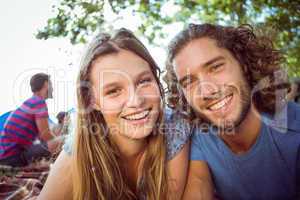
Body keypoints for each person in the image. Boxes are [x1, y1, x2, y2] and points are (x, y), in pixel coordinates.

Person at [38, 28, 190, 200]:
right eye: (113, 91)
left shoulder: (175, 129)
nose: (136, 101)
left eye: (144, 81)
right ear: (91, 101)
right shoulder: (82, 149)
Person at [165, 23, 300, 199]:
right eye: (189, 82)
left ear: (243, 63)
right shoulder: (200, 137)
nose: (207, 91)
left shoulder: (294, 129)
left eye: (215, 67)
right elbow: (198, 185)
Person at [0, 73, 60, 167]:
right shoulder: (38, 102)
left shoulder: (30, 102)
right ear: (46, 84)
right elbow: (46, 135)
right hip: (14, 157)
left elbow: (42, 137)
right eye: (51, 84)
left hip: (8, 156)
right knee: (66, 142)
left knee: (58, 143)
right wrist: (61, 141)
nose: (53, 88)